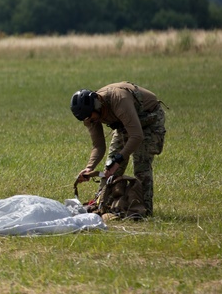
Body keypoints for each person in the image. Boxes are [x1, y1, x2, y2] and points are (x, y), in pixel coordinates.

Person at [70, 82, 166, 218]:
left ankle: (143, 211)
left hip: (149, 120)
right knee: (109, 169)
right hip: (125, 124)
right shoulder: (89, 115)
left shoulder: (119, 100)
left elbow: (137, 135)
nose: (90, 121)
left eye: (91, 117)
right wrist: (89, 168)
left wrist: (119, 159)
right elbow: (99, 146)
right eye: (87, 119)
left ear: (97, 106)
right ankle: (103, 206)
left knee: (141, 164)